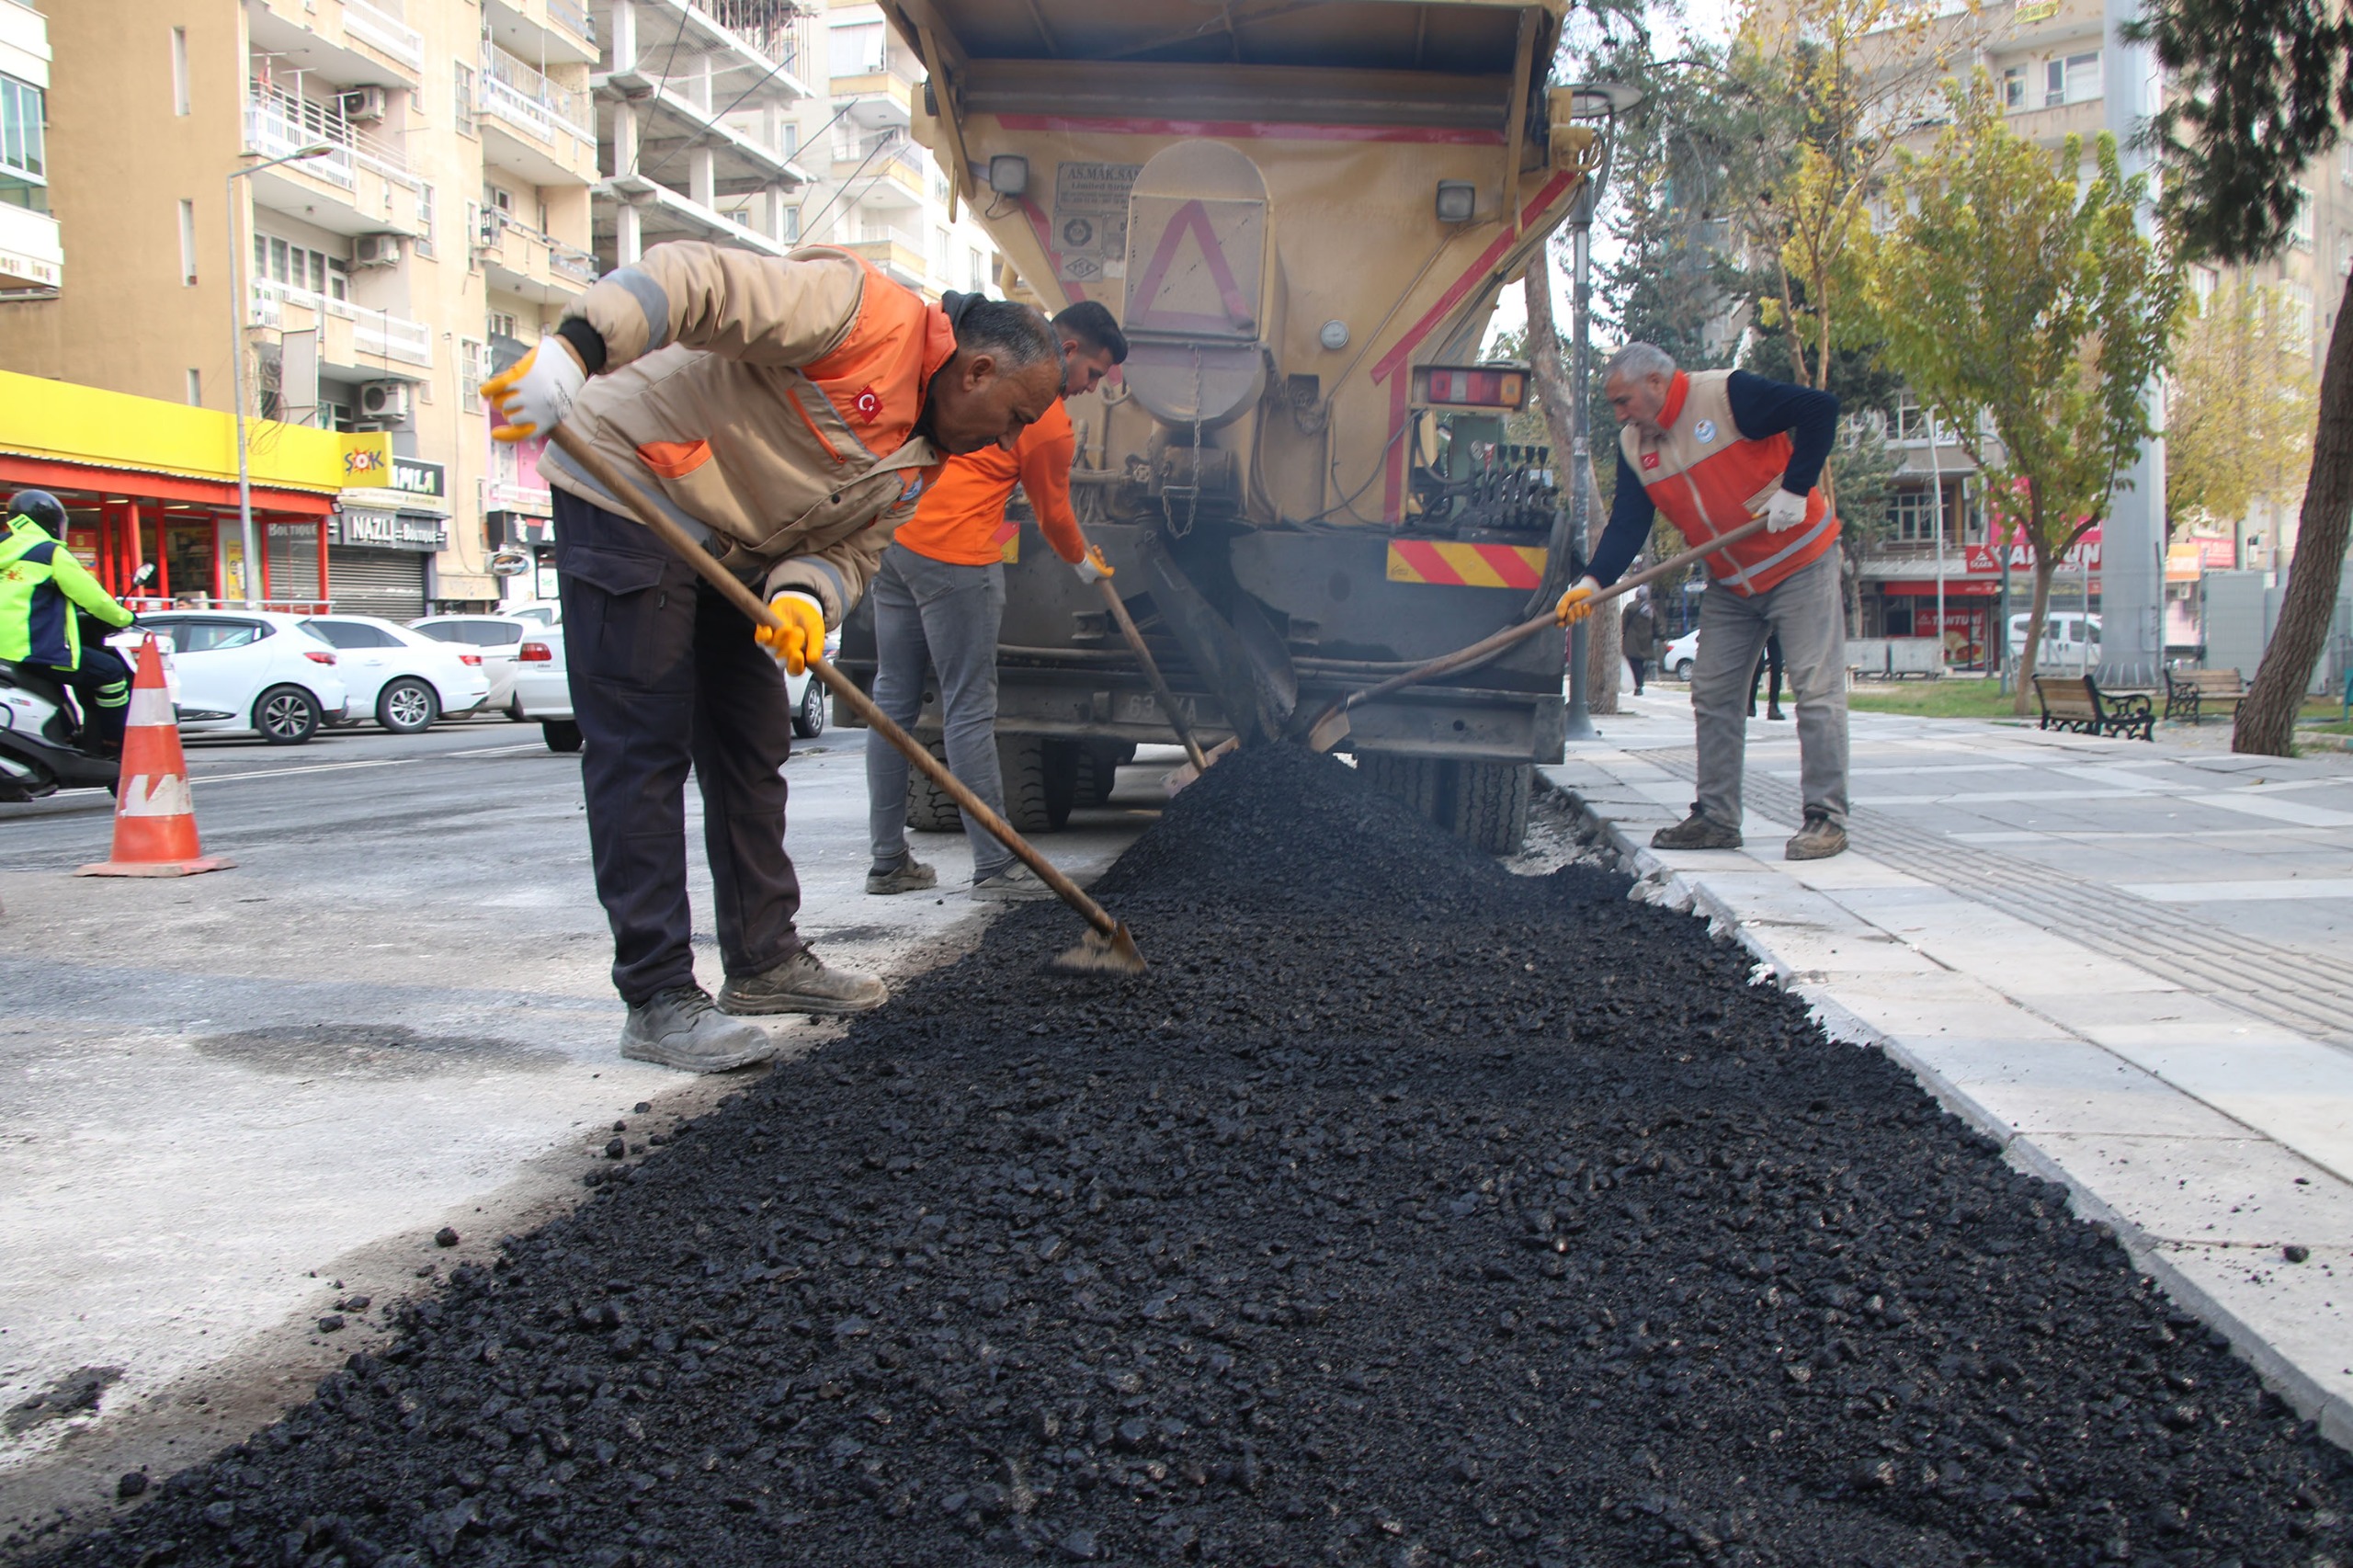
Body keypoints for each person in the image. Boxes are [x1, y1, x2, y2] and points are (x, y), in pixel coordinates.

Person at [482, 241, 1065, 1074]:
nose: (1007, 439)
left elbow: (854, 551)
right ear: (975, 371)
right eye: (1014, 415)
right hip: (633, 490)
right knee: (643, 749)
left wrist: (803, 597)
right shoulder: (857, 312)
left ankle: (763, 963)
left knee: (753, 748)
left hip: (737, 548)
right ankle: (658, 999)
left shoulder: (926, 457)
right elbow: (695, 283)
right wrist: (575, 351)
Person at [864, 301, 1130, 901]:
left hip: (896, 539)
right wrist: (1087, 564)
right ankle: (995, 866)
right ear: (1067, 351)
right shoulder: (1047, 417)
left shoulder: (965, 374)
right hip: (957, 558)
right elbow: (1055, 513)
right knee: (969, 709)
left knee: (892, 702)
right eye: (1093, 372)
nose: (1092, 388)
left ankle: (887, 861)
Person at [1554, 342, 1848, 860]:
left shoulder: (1728, 396)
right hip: (1732, 581)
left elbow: (1819, 408)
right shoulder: (1633, 445)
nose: (1620, 414)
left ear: (1657, 384)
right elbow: (1629, 523)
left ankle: (1824, 819)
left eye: (1623, 401)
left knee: (1814, 691)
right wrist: (1592, 583)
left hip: (1799, 561)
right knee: (1712, 694)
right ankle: (1716, 818)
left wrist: (1796, 488)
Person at [0, 490, 135, 755]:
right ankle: (113, 746)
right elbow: (95, 601)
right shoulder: (50, 553)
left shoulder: (4, 548)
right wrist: (126, 617)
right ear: (50, 521)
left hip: (5, 654)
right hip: (31, 649)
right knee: (111, 673)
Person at [1621, 586, 1657, 696]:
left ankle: (1638, 685)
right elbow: (1656, 625)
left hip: (1632, 641)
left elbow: (1623, 623)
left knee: (1634, 663)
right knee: (1640, 663)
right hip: (1646, 641)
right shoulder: (1650, 609)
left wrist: (1622, 633)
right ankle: (1640, 684)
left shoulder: (1630, 607)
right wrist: (1662, 637)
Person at [1748, 631, 1786, 721]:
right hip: (1759, 626)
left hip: (1774, 628)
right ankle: (1750, 704)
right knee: (1758, 666)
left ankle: (1773, 705)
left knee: (1777, 665)